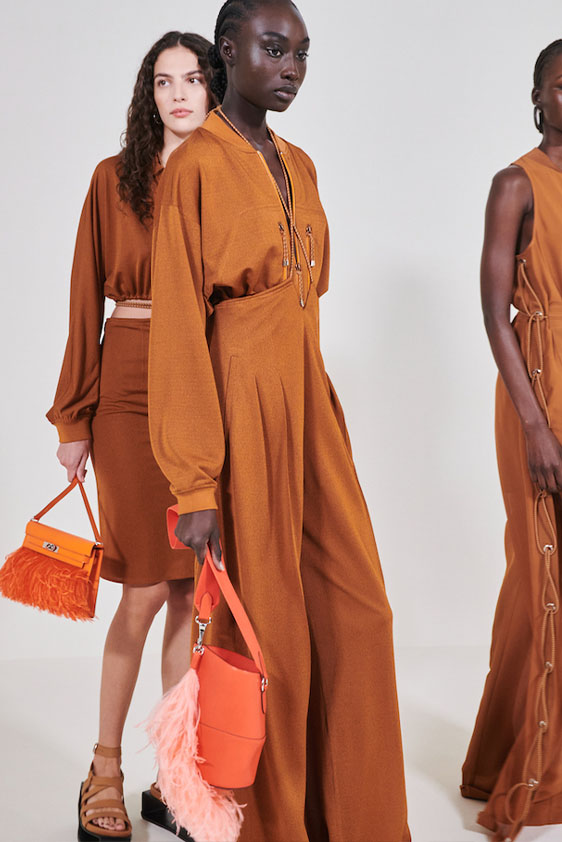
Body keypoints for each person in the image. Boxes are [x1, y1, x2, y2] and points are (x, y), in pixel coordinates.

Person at [148, 2, 410, 840]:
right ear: (228, 52)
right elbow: (180, 330)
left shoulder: (300, 162)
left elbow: (310, 285)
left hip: (308, 404)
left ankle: (359, 823)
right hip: (239, 408)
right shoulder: (193, 167)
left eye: (301, 53)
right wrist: (196, 482)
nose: (291, 66)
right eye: (273, 48)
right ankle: (277, 829)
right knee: (271, 639)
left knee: (360, 612)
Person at [46, 31, 214, 840]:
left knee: (190, 589)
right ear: (149, 96)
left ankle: (173, 774)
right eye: (163, 82)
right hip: (131, 384)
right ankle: (104, 767)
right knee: (145, 588)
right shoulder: (113, 179)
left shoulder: (229, 177)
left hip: (207, 388)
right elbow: (85, 294)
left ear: (216, 89)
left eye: (194, 79)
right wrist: (73, 414)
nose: (178, 95)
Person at [461, 39, 562, 842]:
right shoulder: (516, 184)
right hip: (539, 389)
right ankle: (529, 774)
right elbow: (495, 313)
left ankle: (495, 752)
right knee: (542, 576)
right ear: (537, 95)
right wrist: (534, 422)